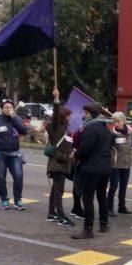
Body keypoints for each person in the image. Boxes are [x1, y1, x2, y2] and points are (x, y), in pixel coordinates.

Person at [72, 103, 115, 239]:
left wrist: (76, 154)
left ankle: (88, 229)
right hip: (105, 168)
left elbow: (86, 148)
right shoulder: (105, 127)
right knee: (102, 196)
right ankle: (104, 223)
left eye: (85, 113)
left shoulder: (91, 128)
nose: (83, 116)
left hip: (91, 168)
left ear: (91, 114)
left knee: (88, 197)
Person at [45, 88, 75, 227]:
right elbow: (56, 115)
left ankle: (51, 213)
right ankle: (61, 216)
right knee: (59, 190)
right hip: (57, 163)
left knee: (55, 189)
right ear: (63, 116)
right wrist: (56, 99)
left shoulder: (65, 128)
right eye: (68, 115)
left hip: (62, 162)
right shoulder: (56, 126)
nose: (70, 117)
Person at [108, 112, 132, 216]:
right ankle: (109, 207)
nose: (115, 123)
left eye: (118, 121)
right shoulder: (112, 133)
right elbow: (108, 147)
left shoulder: (130, 132)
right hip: (115, 164)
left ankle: (122, 206)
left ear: (123, 121)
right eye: (114, 121)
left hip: (126, 163)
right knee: (113, 187)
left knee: (123, 186)